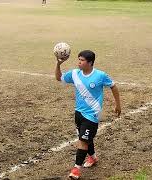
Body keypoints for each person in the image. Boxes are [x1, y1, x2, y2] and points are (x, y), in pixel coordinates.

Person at [55, 50, 121, 179]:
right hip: (78, 113)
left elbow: (113, 86)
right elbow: (59, 78)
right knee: (85, 137)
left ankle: (76, 169)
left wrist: (118, 104)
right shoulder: (75, 74)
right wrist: (58, 64)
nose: (79, 62)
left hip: (92, 115)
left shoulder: (100, 75)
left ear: (90, 62)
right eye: (78, 59)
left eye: (82, 60)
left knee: (83, 141)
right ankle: (93, 157)